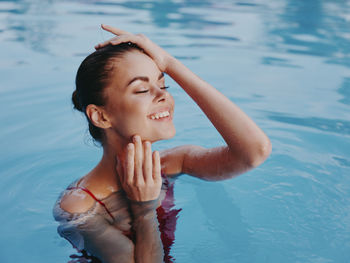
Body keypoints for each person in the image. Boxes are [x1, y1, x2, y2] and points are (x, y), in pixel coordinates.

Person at [53, 24, 271, 263]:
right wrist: (144, 211)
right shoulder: (80, 207)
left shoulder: (172, 164)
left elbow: (255, 152)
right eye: (143, 89)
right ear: (101, 116)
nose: (163, 95)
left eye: (164, 84)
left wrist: (169, 63)